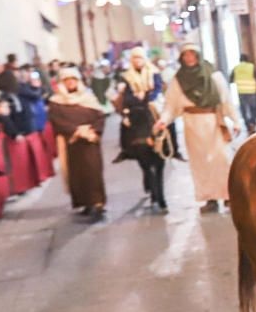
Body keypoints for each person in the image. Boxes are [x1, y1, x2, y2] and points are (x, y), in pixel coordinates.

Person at [156, 43, 238, 213]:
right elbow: (170, 105)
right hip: (192, 125)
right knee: (200, 164)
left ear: (198, 55)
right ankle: (210, 198)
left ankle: (229, 195)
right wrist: (163, 120)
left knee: (221, 159)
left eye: (192, 54)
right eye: (186, 55)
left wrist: (235, 120)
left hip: (213, 122)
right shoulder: (178, 80)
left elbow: (225, 99)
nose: (189, 58)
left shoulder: (213, 74)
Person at [48, 68, 108, 218]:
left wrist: (93, 131)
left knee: (93, 172)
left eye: (73, 80)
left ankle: (98, 202)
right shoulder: (57, 102)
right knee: (77, 175)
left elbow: (99, 116)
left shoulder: (88, 98)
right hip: (71, 143)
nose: (70, 83)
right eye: (67, 80)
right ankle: (85, 203)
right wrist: (76, 131)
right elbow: (57, 121)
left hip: (89, 142)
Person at [120, 47, 167, 213]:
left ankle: (172, 148)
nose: (137, 61)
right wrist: (136, 100)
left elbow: (157, 89)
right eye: (135, 58)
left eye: (140, 58)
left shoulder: (153, 72)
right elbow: (126, 97)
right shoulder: (126, 76)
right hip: (137, 112)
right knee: (125, 125)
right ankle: (126, 150)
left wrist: (146, 97)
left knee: (166, 122)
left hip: (153, 107)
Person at [230, 53, 256, 133]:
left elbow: (230, 80)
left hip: (241, 92)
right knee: (253, 108)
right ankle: (253, 123)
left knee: (243, 109)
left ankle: (247, 125)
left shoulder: (236, 68)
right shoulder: (251, 66)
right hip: (251, 91)